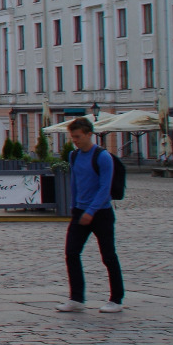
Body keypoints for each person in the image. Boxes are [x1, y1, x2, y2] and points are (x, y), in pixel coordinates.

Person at [57, 118, 123, 313]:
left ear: (88, 134)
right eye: (72, 137)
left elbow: (105, 188)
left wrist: (91, 211)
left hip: (101, 213)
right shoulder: (74, 156)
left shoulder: (102, 157)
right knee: (71, 253)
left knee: (108, 256)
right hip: (80, 212)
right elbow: (75, 183)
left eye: (78, 137)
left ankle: (116, 299)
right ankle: (76, 298)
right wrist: (74, 207)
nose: (75, 140)